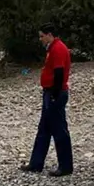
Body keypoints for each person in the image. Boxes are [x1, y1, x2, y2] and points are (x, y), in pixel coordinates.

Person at [20, 24, 73, 176]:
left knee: (59, 129)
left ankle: (66, 166)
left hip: (54, 93)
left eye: (42, 36)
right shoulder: (53, 48)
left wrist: (55, 94)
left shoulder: (57, 48)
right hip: (49, 93)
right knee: (44, 128)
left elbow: (59, 72)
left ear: (49, 34)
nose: (40, 39)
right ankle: (36, 163)